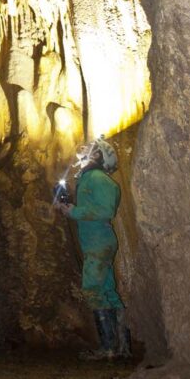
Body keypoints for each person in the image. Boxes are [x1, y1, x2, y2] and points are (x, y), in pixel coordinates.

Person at [55, 138, 132, 360]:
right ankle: (121, 348)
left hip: (99, 241)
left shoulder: (98, 178)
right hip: (96, 241)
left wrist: (75, 212)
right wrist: (70, 209)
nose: (85, 148)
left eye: (91, 148)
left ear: (98, 156)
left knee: (93, 289)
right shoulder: (89, 178)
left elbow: (105, 210)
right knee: (107, 291)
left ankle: (108, 348)